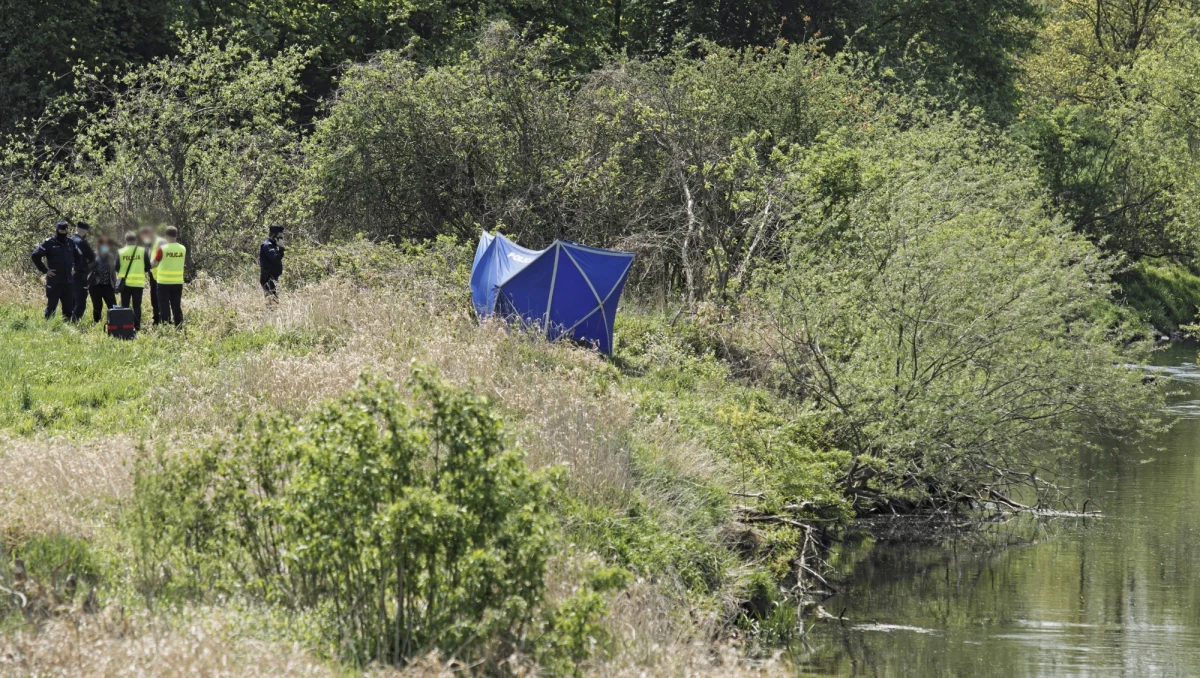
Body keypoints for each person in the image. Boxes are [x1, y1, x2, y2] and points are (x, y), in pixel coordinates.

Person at [31, 221, 83, 320]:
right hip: (54, 280)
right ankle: (50, 328)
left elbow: (79, 256)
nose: (63, 232)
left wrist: (75, 268)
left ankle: (67, 329)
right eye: (61, 230)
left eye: (65, 230)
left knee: (68, 308)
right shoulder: (49, 243)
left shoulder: (70, 243)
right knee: (51, 307)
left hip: (68, 281)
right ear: (57, 230)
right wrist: (44, 270)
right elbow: (35, 255)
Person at [151, 225, 186, 327]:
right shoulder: (182, 248)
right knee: (176, 305)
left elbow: (155, 263)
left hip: (163, 283)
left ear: (165, 236)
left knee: (164, 306)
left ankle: (166, 327)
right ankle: (179, 326)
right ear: (177, 235)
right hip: (177, 282)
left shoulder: (162, 249)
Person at [117, 231, 151, 330]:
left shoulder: (120, 251)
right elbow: (148, 266)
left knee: (125, 306)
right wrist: (140, 270)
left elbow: (117, 267)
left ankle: (125, 327)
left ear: (126, 240)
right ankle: (137, 326)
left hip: (125, 284)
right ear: (136, 240)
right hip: (138, 283)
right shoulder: (142, 251)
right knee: (137, 306)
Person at [87, 234, 118, 323]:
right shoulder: (94, 256)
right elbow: (87, 268)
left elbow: (113, 273)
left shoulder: (111, 257)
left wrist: (115, 286)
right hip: (96, 286)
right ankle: (97, 323)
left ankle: (113, 323)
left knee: (112, 306)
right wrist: (94, 262)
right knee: (97, 306)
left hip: (108, 286)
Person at [69, 221, 96, 321]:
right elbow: (92, 257)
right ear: (85, 231)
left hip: (68, 274)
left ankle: (68, 319)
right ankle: (76, 320)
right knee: (81, 298)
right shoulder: (82, 242)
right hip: (80, 274)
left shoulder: (68, 240)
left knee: (71, 297)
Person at [139, 225, 165, 325]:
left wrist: (144, 266)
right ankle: (156, 320)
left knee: (161, 300)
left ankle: (162, 321)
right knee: (154, 299)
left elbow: (158, 259)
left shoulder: (160, 242)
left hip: (161, 276)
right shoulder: (150, 244)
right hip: (154, 276)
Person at [259, 224, 285, 298]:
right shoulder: (267, 245)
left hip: (272, 278)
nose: (281, 239)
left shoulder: (272, 245)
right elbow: (276, 258)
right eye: (279, 237)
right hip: (268, 278)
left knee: (274, 300)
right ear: (273, 235)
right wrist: (281, 249)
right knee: (272, 301)